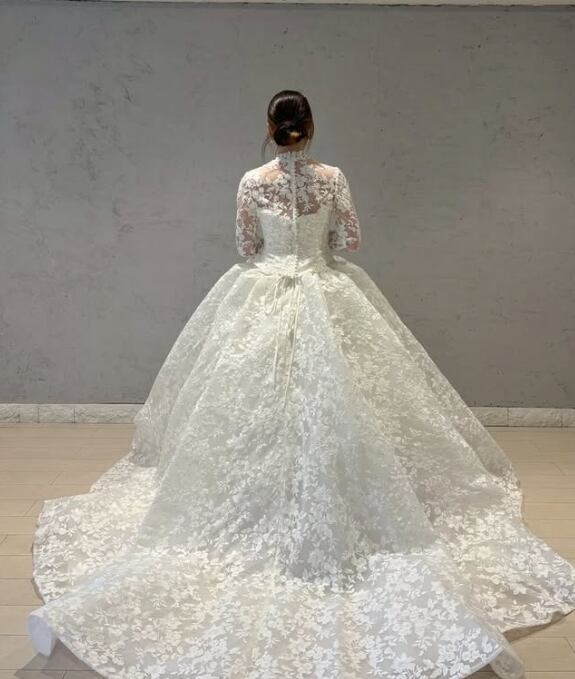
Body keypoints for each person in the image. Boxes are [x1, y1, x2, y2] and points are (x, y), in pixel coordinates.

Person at [27, 89, 575, 679]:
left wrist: (277, 247)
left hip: (259, 292)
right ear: (310, 127)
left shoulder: (251, 181)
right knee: (351, 407)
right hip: (325, 288)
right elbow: (349, 242)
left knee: (237, 413)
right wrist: (314, 244)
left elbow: (245, 247)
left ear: (270, 127)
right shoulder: (333, 177)